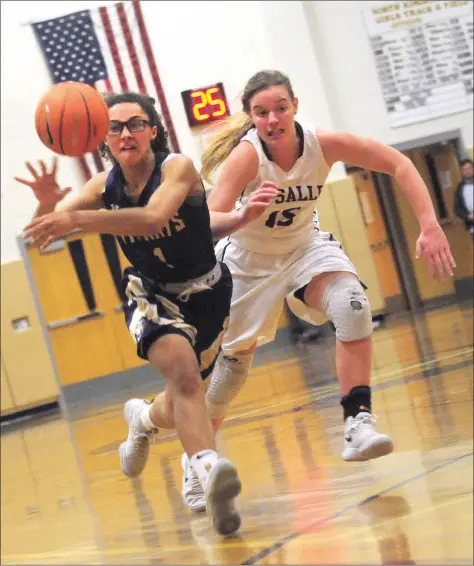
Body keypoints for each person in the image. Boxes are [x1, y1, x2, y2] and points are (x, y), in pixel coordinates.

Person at [177, 69, 456, 512]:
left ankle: (357, 422)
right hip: (248, 264)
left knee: (351, 305)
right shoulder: (247, 159)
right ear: (251, 118)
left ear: (295, 106)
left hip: (304, 248)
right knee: (228, 378)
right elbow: (207, 222)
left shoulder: (322, 144)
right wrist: (244, 214)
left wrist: (429, 223)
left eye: (280, 108)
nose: (272, 119)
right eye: (261, 112)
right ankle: (196, 463)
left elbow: (398, 163)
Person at [15, 92, 278, 535]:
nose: (125, 133)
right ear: (104, 138)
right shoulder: (101, 188)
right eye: (115, 127)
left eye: (136, 124)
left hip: (209, 292)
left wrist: (81, 220)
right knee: (186, 376)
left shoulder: (176, 168)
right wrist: (47, 206)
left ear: (153, 131)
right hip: (150, 292)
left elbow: (155, 219)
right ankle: (209, 473)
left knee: (182, 392)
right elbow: (47, 230)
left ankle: (142, 419)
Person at [454, 158, 474, 238]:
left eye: (469, 168)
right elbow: (457, 209)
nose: (468, 171)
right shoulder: (459, 188)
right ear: (462, 172)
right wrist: (467, 216)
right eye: (464, 169)